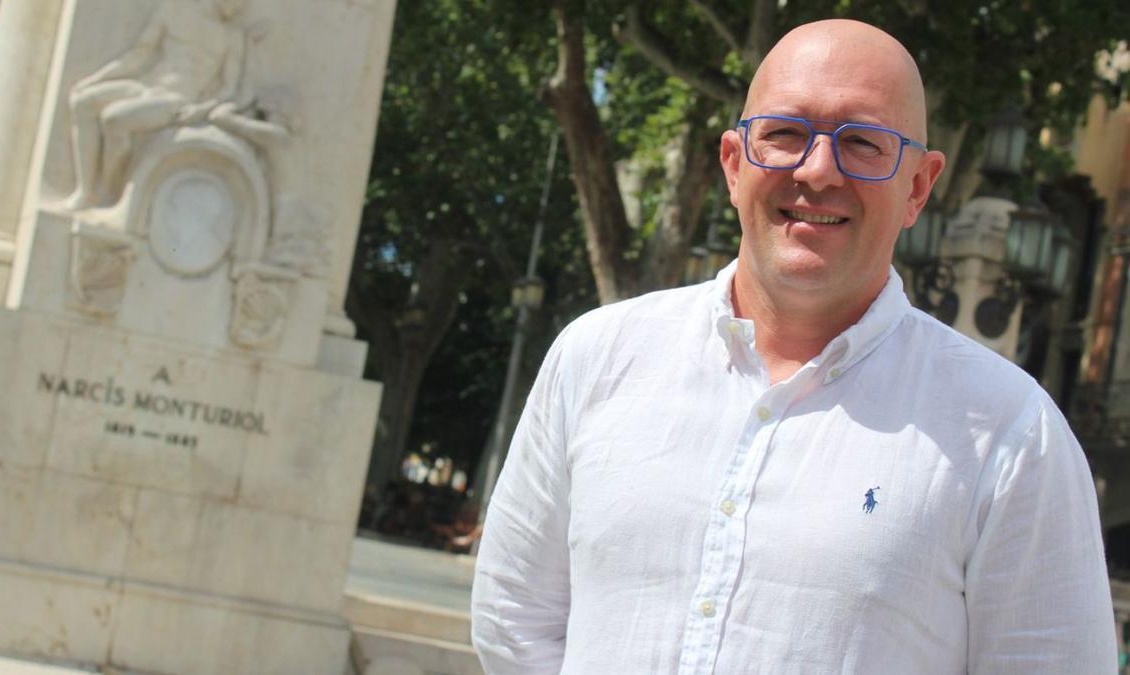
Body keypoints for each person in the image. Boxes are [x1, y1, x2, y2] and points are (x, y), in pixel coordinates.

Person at [471, 19, 1117, 675]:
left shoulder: (1009, 435)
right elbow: (514, 621)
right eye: (785, 134)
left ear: (918, 188)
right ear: (732, 162)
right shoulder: (596, 358)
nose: (817, 168)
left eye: (863, 142)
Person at [65, 0, 247, 209]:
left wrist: (200, 110)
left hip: (177, 99)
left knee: (114, 119)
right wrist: (94, 80)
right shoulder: (174, 10)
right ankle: (85, 190)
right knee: (83, 102)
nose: (240, 7)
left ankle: (109, 189)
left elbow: (229, 91)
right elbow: (138, 55)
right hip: (146, 86)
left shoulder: (232, 37)